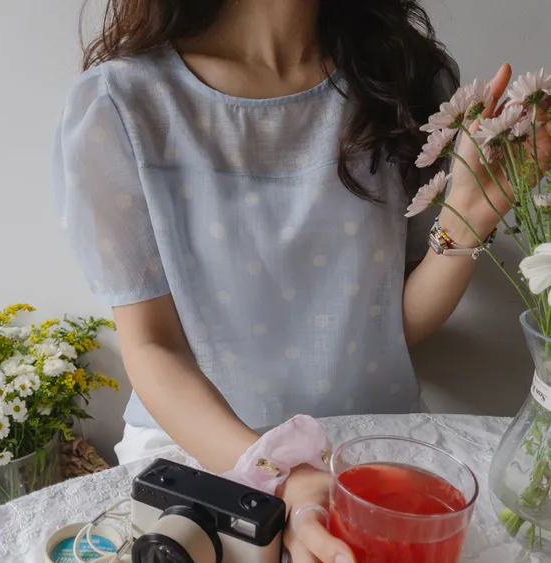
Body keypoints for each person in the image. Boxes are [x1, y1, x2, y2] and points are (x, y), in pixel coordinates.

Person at [52, 0, 522, 560]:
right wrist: (280, 474)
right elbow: (152, 347)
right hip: (198, 456)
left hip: (369, 450)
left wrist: (466, 218)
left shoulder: (407, 80)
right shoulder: (122, 104)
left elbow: (385, 329)